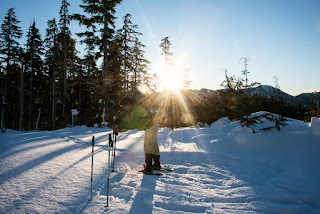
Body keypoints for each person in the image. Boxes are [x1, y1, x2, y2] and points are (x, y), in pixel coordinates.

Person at [113, 95, 161, 173]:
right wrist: (119, 127)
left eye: (124, 106)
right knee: (154, 145)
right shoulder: (132, 110)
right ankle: (156, 164)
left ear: (128, 104)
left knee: (147, 146)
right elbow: (127, 121)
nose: (123, 108)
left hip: (151, 127)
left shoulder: (136, 109)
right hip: (151, 127)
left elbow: (131, 123)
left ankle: (149, 168)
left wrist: (120, 129)